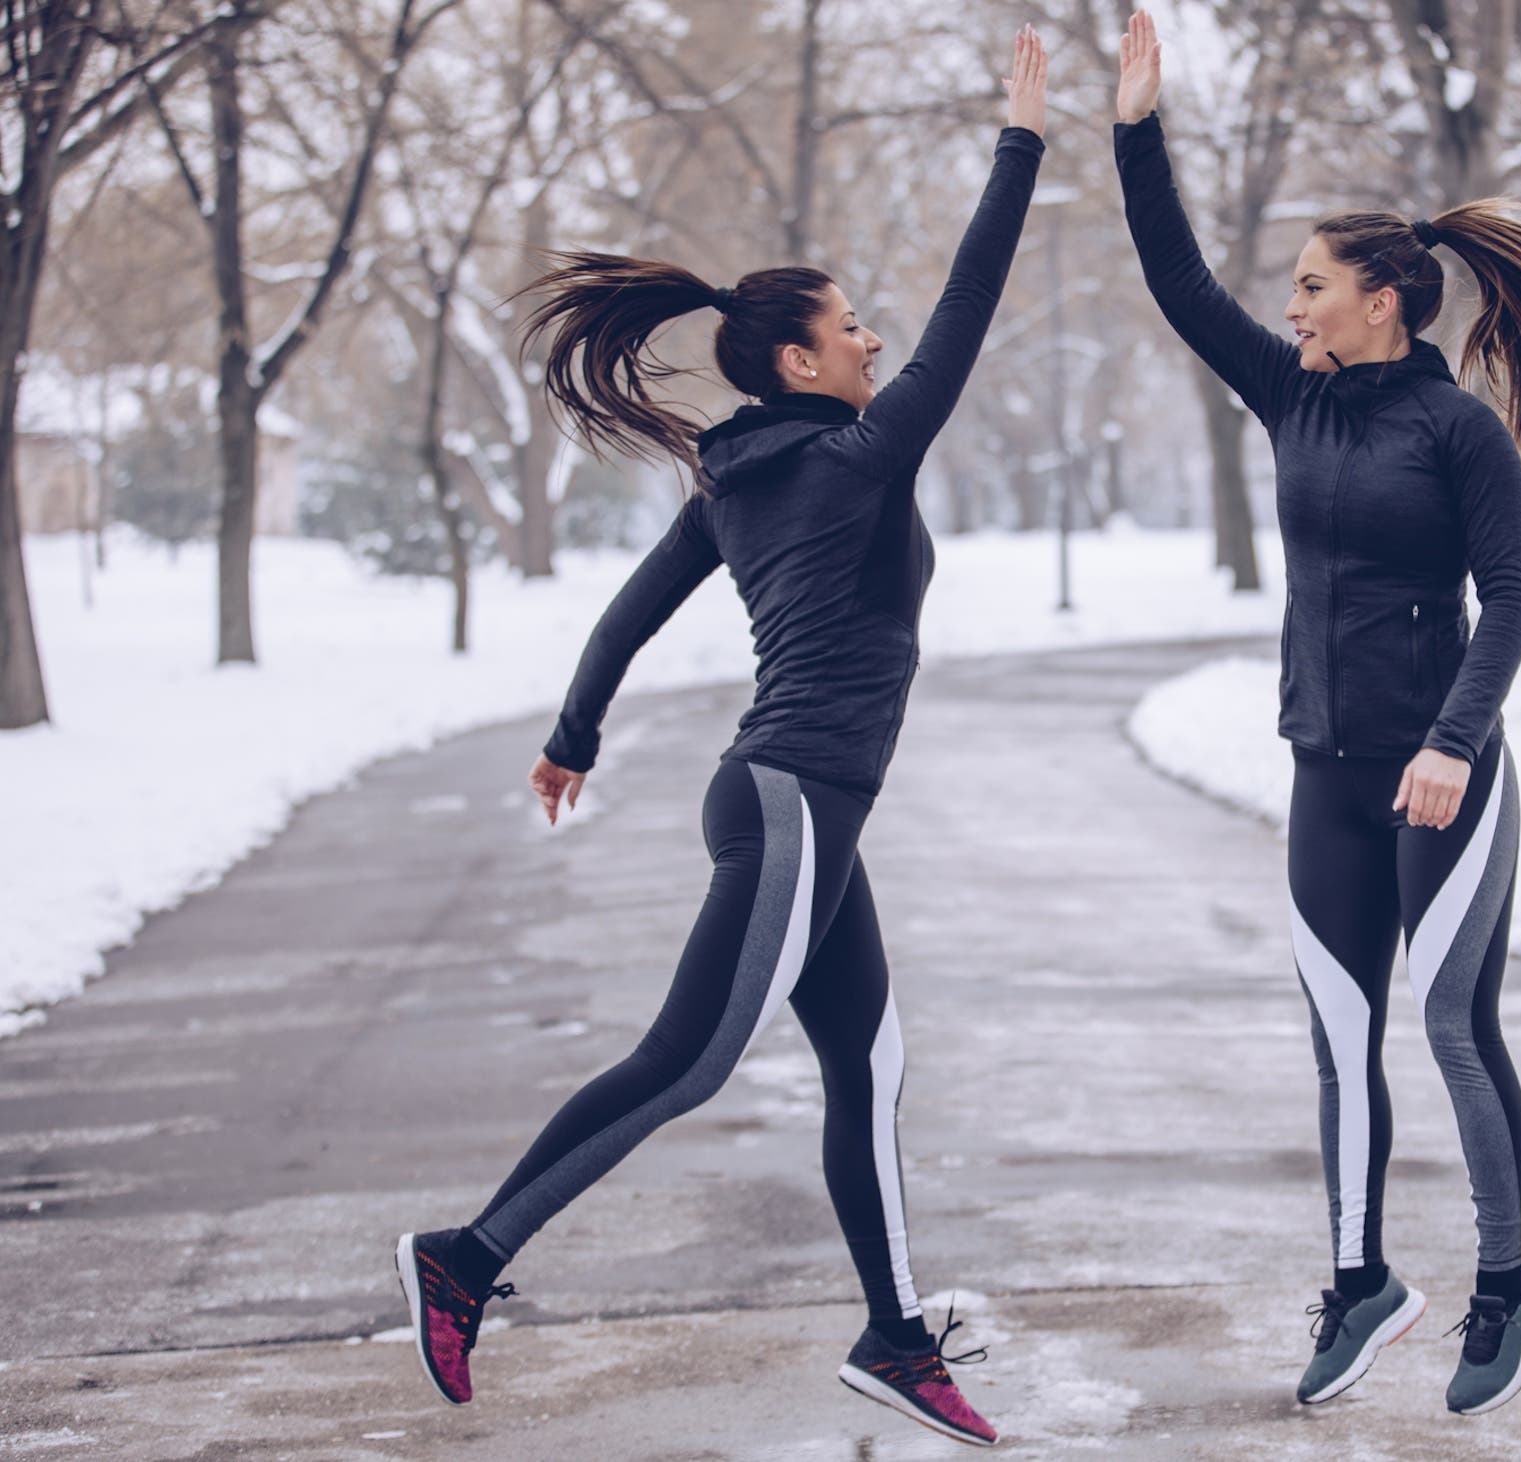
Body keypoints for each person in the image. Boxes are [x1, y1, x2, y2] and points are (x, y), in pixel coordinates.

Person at [392, 29, 1050, 1450]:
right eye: (854, 324)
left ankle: (890, 1330)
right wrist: (1021, 142)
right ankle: (468, 1254)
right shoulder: (849, 452)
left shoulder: (739, 474)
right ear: (804, 360)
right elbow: (972, 305)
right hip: (797, 798)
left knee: (866, 1060)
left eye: (871, 320)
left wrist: (577, 730)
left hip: (797, 804)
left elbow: (631, 609)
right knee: (691, 1059)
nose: (876, 337)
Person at [1111, 9, 1521, 1417]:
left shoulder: (1459, 432)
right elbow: (1177, 279)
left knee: (1451, 1021)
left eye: (1315, 283)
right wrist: (1136, 126)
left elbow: (1511, 606)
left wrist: (1454, 741)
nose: (1293, 303)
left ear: (1382, 298)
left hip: (1441, 772)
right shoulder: (1294, 399)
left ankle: (1507, 1283)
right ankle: (1362, 1279)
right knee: (1338, 1029)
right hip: (1325, 766)